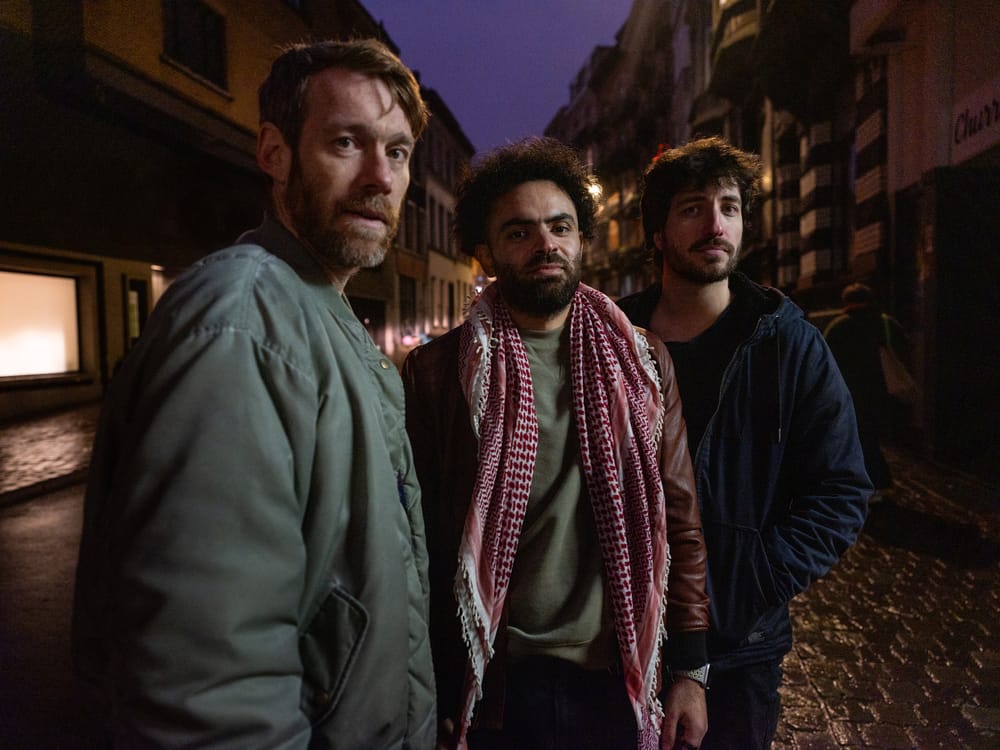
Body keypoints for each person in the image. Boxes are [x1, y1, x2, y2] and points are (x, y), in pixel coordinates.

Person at [72, 39, 436, 748]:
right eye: (346, 142)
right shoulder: (243, 323)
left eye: (396, 152)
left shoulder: (319, 316)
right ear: (274, 152)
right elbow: (208, 692)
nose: (380, 177)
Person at [402, 137, 711, 750]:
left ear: (580, 239)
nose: (546, 244)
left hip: (613, 679)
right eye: (520, 232)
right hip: (498, 688)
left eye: (560, 227)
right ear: (486, 252)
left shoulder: (643, 361)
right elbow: (423, 544)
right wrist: (436, 683)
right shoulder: (438, 373)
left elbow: (680, 523)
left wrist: (691, 670)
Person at [617, 136, 870, 749]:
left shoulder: (786, 342)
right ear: (657, 233)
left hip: (740, 653)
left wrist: (745, 583)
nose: (715, 225)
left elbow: (841, 491)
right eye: (692, 208)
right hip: (619, 640)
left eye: (728, 207)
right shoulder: (613, 339)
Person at [823, 283, 910, 499]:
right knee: (871, 436)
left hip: (851, 393)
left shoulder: (838, 326)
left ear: (846, 302)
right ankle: (876, 482)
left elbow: (823, 360)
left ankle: (874, 483)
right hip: (883, 391)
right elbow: (905, 348)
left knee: (861, 438)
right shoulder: (886, 323)